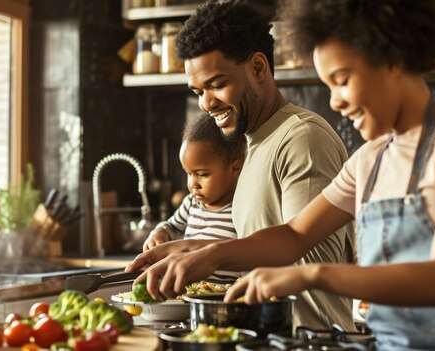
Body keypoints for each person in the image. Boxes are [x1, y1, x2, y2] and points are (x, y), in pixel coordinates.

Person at [133, 1, 435, 349]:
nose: (334, 101)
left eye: (343, 79)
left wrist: (312, 276)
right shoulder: (369, 161)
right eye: (328, 84)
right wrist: (199, 251)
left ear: (393, 59)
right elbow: (294, 235)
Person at [126, 0, 356, 331]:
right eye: (198, 91)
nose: (206, 103)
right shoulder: (252, 144)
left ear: (258, 68)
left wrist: (209, 256)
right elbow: (265, 244)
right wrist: (187, 250)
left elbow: (298, 246)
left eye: (217, 84)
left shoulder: (301, 137)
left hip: (310, 338)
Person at [142, 113, 245, 282]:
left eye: (202, 174)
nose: (193, 184)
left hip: (225, 299)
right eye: (189, 174)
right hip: (187, 294)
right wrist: (160, 232)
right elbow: (172, 226)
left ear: (234, 169)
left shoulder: (242, 208)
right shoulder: (191, 203)